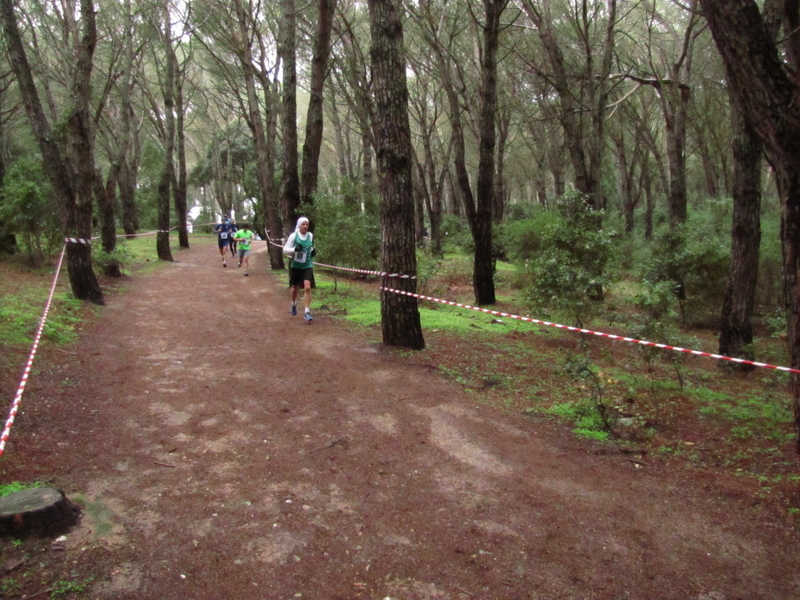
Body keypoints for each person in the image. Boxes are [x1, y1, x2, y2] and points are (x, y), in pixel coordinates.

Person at [283, 216, 316, 321]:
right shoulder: (294, 236)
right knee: (294, 288)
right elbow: (285, 250)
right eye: (303, 224)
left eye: (307, 224)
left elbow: (310, 247)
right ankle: (293, 303)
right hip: (296, 266)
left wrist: (312, 252)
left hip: (307, 265)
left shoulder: (310, 235)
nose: (305, 226)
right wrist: (295, 249)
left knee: (307, 287)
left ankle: (307, 311)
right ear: (299, 225)